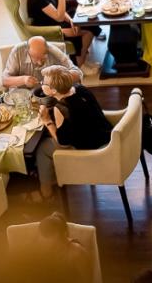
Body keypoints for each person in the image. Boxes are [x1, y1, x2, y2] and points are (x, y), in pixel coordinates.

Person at [33, 65, 112, 201]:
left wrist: (47, 120)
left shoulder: (61, 108)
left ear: (53, 90)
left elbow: (63, 142)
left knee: (42, 148)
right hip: (105, 135)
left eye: (43, 83)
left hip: (92, 149)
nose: (41, 84)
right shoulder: (81, 89)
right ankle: (54, 176)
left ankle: (46, 192)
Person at [27, 0, 98, 75]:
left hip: (54, 21)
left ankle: (82, 59)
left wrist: (70, 20)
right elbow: (59, 17)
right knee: (88, 30)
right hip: (50, 29)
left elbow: (59, 10)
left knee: (85, 19)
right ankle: (79, 65)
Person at [7, 212, 92, 280]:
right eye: (43, 239)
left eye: (54, 245)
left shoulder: (77, 253)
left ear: (64, 236)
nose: (46, 246)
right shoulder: (35, 247)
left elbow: (87, 279)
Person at [3, 36, 82, 89]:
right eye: (35, 58)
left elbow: (78, 74)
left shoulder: (54, 51)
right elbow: (4, 81)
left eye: (43, 58)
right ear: (28, 52)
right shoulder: (18, 52)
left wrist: (57, 79)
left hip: (51, 94)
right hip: (24, 95)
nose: (40, 63)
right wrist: (24, 80)